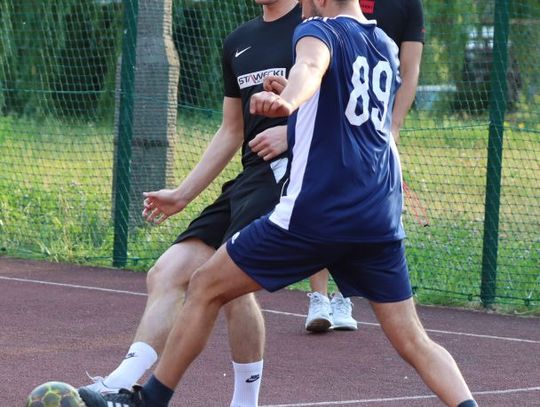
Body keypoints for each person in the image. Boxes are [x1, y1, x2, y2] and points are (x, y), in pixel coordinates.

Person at [79, 0, 478, 406]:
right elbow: (340, 102)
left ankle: (149, 399)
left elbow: (312, 66)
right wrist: (290, 90)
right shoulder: (384, 45)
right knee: (414, 340)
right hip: (379, 216)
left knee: (205, 285)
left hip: (319, 213)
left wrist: (288, 101)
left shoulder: (318, 30)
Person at [81, 1, 302, 406]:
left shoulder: (315, 27)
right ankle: (119, 382)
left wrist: (292, 134)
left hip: (291, 174)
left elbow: (347, 109)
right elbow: (231, 129)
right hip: (250, 178)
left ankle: (242, 400)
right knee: (166, 272)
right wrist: (182, 193)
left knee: (228, 279)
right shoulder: (239, 41)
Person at [305, 0, 425, 333]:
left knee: (365, 206)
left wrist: (394, 124)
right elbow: (310, 34)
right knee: (317, 199)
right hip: (329, 114)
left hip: (372, 122)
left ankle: (344, 296)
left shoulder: (406, 6)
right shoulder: (328, 13)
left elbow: (410, 68)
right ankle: (318, 298)